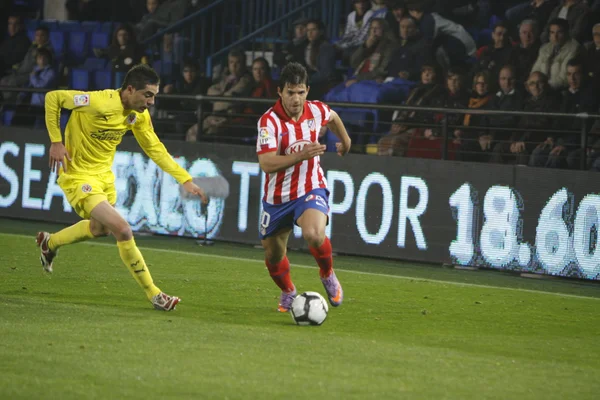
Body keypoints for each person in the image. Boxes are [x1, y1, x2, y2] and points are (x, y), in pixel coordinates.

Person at [36, 64, 207, 311]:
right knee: (123, 230)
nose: (151, 102)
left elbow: (154, 148)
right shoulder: (98, 101)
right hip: (78, 176)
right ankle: (156, 295)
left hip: (104, 178)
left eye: (154, 96)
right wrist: (56, 141)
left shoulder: (137, 116)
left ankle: (49, 243)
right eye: (147, 95)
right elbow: (53, 98)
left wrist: (185, 179)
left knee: (99, 229)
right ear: (129, 89)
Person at [256, 62, 352, 312]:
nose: (296, 99)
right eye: (290, 92)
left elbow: (333, 117)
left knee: (314, 234)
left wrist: (346, 140)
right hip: (276, 198)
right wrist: (302, 154)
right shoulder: (269, 122)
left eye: (300, 92)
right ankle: (288, 290)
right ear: (280, 91)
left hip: (310, 188)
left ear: (307, 90)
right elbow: (266, 163)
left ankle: (327, 273)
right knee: (273, 255)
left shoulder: (316, 110)